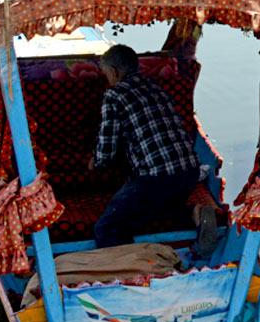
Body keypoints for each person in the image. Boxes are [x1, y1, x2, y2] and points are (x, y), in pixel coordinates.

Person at [91, 45, 216, 254]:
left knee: (107, 227)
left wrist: (95, 162)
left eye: (106, 74)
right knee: (155, 210)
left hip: (156, 178)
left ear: (114, 71)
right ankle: (196, 212)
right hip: (189, 173)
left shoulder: (114, 95)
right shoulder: (155, 87)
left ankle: (129, 267)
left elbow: (106, 151)